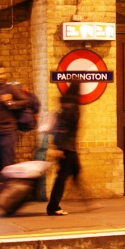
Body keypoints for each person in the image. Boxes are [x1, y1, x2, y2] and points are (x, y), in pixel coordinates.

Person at [47, 81, 82, 216]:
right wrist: (59, 147)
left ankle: (85, 199)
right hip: (67, 147)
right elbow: (64, 128)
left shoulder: (66, 104)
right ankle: (53, 206)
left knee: (73, 171)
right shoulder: (71, 106)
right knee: (63, 175)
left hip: (67, 146)